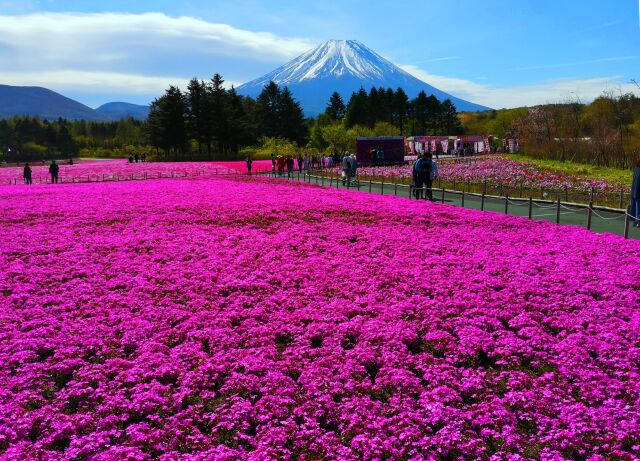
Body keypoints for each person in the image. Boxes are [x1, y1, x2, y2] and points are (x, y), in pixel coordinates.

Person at [632, 161, 640, 227]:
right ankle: (637, 220)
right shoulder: (637, 167)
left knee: (637, 205)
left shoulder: (636, 167)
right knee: (637, 205)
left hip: (636, 190)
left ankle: (637, 220)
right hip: (637, 190)